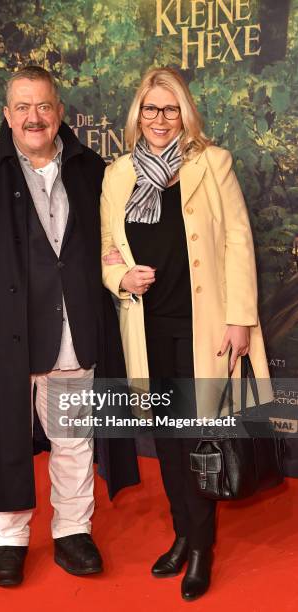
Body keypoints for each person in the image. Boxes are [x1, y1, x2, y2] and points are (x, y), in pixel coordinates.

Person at [0, 65, 139, 587]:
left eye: (43, 106)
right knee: (4, 436)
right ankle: (8, 536)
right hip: (2, 335)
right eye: (22, 107)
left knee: (74, 438)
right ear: (6, 114)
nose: (34, 117)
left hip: (74, 329)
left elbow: (114, 243)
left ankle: (73, 530)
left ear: (60, 112)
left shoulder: (94, 169)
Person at [101, 67, 273, 601]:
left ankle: (200, 549)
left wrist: (240, 318)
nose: (159, 118)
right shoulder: (118, 173)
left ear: (185, 113)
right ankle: (182, 534)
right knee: (169, 441)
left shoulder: (211, 163)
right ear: (137, 115)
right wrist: (120, 277)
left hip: (205, 328)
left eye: (170, 108)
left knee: (201, 437)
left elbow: (238, 243)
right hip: (147, 328)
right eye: (150, 109)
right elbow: (107, 246)